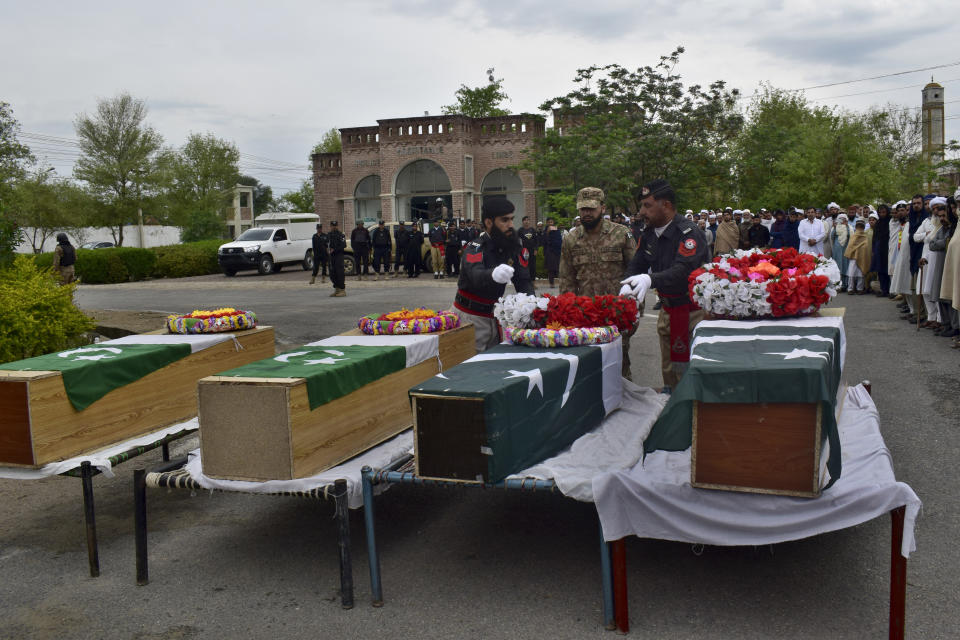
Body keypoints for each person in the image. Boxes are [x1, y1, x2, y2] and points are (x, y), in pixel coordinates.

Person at [621, 179, 708, 390]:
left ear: (666, 205)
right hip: (668, 312)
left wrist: (650, 279)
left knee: (692, 373)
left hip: (693, 313)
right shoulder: (649, 234)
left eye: (647, 205)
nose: (641, 211)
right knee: (670, 372)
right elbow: (638, 263)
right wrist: (626, 284)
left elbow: (682, 271)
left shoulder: (688, 233)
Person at [558, 187, 638, 380]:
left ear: (602, 208)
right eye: (582, 209)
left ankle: (624, 403)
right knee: (588, 368)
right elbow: (566, 280)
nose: (586, 213)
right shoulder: (570, 239)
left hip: (616, 313)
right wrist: (567, 315)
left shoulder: (622, 234)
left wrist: (634, 309)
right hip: (585, 316)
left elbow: (635, 272)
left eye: (591, 209)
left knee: (620, 365)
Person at [452, 198, 534, 352]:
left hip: (494, 317)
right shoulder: (476, 247)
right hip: (469, 317)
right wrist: (492, 275)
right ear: (489, 222)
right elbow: (474, 274)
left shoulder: (513, 245)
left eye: (511, 219)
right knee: (468, 367)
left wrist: (532, 305)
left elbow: (523, 281)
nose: (510, 225)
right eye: (504, 220)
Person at [916, 197, 945, 328]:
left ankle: (940, 319)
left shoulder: (944, 224)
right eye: (933, 208)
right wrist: (925, 234)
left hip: (938, 259)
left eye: (937, 208)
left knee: (936, 289)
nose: (935, 211)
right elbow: (916, 237)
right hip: (926, 258)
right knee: (925, 289)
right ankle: (931, 317)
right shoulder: (927, 222)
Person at [843, 219, 871, 294]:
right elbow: (850, 246)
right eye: (858, 226)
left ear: (863, 227)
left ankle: (860, 288)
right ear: (856, 227)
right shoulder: (853, 236)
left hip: (862, 257)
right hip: (853, 257)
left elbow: (866, 247)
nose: (860, 228)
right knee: (851, 273)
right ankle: (850, 289)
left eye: (861, 227)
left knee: (861, 273)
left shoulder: (865, 236)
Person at [870, 205, 892, 297]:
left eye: (884, 212)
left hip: (887, 249)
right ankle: (884, 290)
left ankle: (890, 290)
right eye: (880, 212)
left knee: (888, 270)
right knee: (880, 271)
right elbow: (874, 237)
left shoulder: (890, 222)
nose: (882, 214)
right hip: (879, 250)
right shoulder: (878, 223)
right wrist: (873, 249)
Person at [830, 213, 850, 290]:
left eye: (843, 219)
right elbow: (832, 236)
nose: (842, 220)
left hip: (845, 249)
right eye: (840, 219)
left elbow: (850, 236)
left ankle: (845, 284)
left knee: (845, 266)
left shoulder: (849, 227)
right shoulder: (835, 227)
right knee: (837, 267)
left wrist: (847, 226)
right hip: (837, 249)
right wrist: (835, 228)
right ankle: (838, 285)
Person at [328, 221, 347, 297]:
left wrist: (334, 249)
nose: (334, 227)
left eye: (335, 226)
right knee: (332, 273)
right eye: (332, 226)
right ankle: (337, 289)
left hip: (339, 256)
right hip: (331, 257)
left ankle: (342, 290)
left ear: (337, 226)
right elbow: (326, 244)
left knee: (340, 273)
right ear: (330, 226)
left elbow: (343, 245)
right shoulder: (328, 235)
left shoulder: (341, 235)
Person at [543, 216, 563, 287]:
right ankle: (551, 283)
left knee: (558, 267)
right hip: (549, 251)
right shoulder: (545, 231)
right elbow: (544, 241)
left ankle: (561, 282)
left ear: (553, 222)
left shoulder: (556, 230)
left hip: (556, 251)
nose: (550, 223)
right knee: (550, 268)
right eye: (548, 222)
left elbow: (559, 240)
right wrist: (547, 233)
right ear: (546, 223)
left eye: (551, 222)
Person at [518, 216, 539, 282]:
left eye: (528, 220)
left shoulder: (532, 230)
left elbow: (536, 241)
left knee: (532, 267)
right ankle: (526, 282)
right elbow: (516, 240)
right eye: (525, 220)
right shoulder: (520, 230)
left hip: (532, 251)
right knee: (524, 266)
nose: (526, 221)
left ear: (529, 221)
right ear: (522, 222)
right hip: (523, 251)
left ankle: (533, 282)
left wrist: (536, 249)